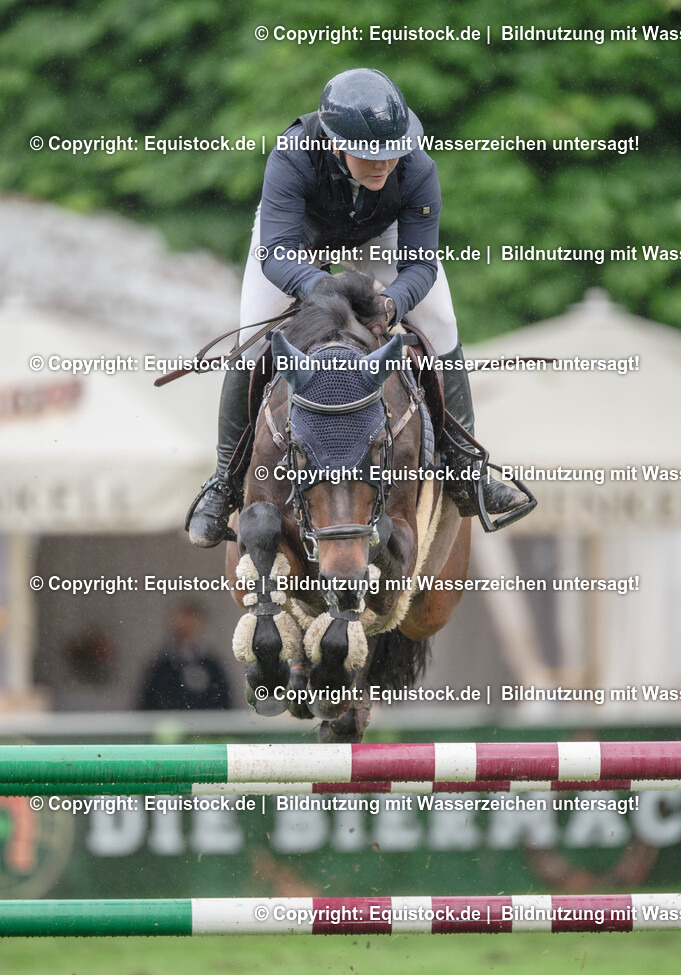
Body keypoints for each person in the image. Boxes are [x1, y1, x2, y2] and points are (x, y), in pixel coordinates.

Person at [187, 67, 533, 547]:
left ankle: (463, 466)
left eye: (392, 153)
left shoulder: (417, 167)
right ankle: (224, 481)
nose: (384, 165)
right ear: (333, 143)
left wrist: (393, 303)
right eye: (370, 155)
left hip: (379, 234)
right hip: (297, 239)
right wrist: (324, 290)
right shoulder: (293, 156)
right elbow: (278, 251)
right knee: (251, 339)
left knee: (441, 318)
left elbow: (421, 264)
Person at [137, 602, 236, 710]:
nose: (186, 630)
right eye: (181, 626)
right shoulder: (160, 667)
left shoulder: (213, 666)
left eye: (191, 626)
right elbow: (148, 703)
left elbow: (224, 703)